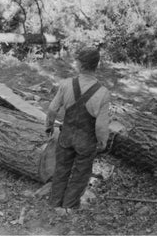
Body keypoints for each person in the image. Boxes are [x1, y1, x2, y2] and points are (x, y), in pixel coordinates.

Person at [45, 47, 110, 214]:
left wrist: (49, 125)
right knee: (81, 173)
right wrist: (102, 141)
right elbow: (101, 126)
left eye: (77, 61)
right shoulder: (103, 93)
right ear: (96, 66)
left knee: (61, 169)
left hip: (66, 136)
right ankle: (69, 206)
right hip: (86, 141)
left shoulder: (66, 85)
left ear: (81, 65)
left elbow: (52, 109)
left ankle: (55, 202)